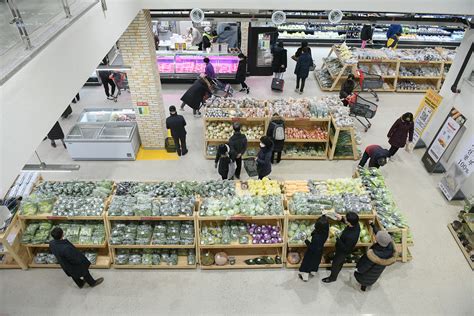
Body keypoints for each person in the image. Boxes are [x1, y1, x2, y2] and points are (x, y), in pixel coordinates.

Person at [354, 223, 397, 291]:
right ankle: (365, 285)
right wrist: (372, 225)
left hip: (366, 274)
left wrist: (358, 270)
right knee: (373, 276)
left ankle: (363, 287)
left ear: (379, 242)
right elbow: (380, 235)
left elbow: (366, 266)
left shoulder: (374, 256)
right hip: (377, 271)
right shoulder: (389, 246)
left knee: (365, 280)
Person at [322, 212, 361, 283]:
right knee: (340, 261)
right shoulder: (356, 224)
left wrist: (337, 238)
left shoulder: (351, 236)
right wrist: (341, 219)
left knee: (335, 263)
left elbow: (346, 248)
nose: (344, 218)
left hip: (343, 251)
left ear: (349, 223)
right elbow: (348, 223)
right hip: (344, 247)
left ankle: (332, 278)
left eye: (346, 219)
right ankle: (338, 269)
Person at [298, 215, 329, 282]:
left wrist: (305, 240)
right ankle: (313, 271)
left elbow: (311, 247)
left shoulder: (317, 237)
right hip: (320, 250)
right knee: (316, 262)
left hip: (312, 252)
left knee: (307, 263)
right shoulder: (325, 232)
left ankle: (305, 276)